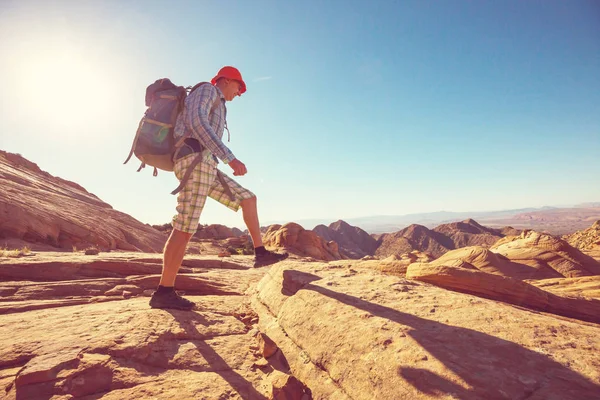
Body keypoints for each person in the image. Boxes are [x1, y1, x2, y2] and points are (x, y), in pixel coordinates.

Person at [150, 66, 288, 310]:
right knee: (185, 226)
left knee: (248, 198)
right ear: (225, 81)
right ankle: (164, 291)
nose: (240, 92)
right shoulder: (207, 90)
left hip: (205, 165)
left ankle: (260, 253)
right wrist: (229, 157)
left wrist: (219, 160)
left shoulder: (218, 101)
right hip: (194, 162)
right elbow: (197, 122)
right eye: (239, 86)